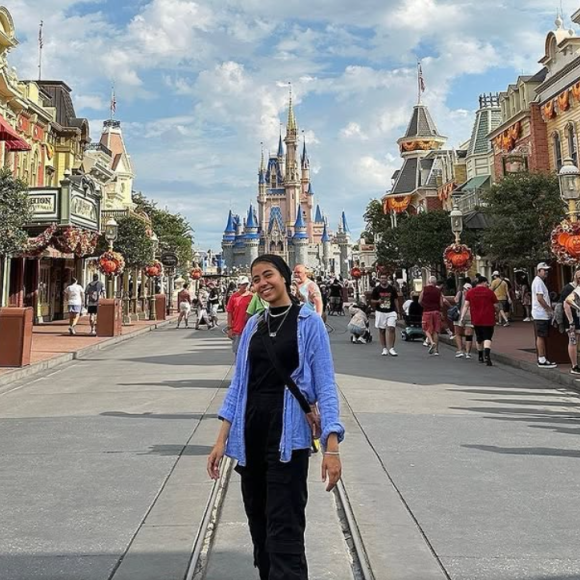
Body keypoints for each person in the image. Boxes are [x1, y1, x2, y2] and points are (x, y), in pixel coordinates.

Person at [207, 254, 344, 580]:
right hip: (251, 435)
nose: (262, 283)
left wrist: (332, 446)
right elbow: (239, 385)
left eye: (268, 275)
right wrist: (220, 440)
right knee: (259, 527)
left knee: (285, 529)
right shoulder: (254, 325)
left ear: (284, 277)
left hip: (289, 437)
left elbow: (325, 385)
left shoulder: (309, 323)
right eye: (256, 279)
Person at [461, 276, 497, 366]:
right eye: (487, 283)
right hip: (488, 319)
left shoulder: (470, 292)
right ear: (484, 282)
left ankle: (480, 355)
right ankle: (487, 356)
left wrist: (462, 317)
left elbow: (466, 305)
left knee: (479, 338)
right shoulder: (490, 292)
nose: (487, 284)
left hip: (476, 319)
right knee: (488, 337)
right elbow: (496, 305)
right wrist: (497, 312)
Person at [532, 262, 557, 369]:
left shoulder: (540, 282)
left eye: (547, 270)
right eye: (544, 270)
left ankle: (543, 357)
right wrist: (549, 309)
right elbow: (540, 298)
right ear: (538, 271)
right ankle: (541, 358)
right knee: (541, 336)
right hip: (540, 314)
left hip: (541, 313)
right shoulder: (538, 282)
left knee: (542, 335)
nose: (546, 272)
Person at [371, 273, 401, 356]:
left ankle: (391, 348)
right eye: (382, 278)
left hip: (391, 311)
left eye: (385, 278)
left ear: (387, 279)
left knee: (391, 328)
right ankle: (384, 348)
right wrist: (378, 301)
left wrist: (398, 311)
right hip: (380, 311)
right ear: (379, 279)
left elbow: (396, 300)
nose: (383, 280)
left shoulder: (392, 289)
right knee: (382, 330)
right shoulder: (377, 289)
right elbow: (372, 300)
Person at [419, 276, 447, 356]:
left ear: (428, 282)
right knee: (436, 331)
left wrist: (424, 305)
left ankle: (431, 342)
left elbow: (419, 300)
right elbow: (441, 304)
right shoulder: (439, 291)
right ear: (435, 283)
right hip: (436, 312)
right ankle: (436, 351)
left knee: (426, 329)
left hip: (427, 311)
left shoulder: (424, 289)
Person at [560, 267, 580, 375]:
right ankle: (574, 365)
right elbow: (566, 304)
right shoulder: (569, 288)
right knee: (573, 341)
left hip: (576, 318)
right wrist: (571, 321)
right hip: (572, 319)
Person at [226, 276, 253, 357]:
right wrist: (230, 328)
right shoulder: (233, 297)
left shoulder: (252, 296)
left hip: (249, 329)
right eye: (242, 284)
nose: (244, 286)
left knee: (248, 354)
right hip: (237, 329)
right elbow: (230, 313)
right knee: (238, 354)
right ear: (238, 285)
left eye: (246, 284)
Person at [453, 282, 474, 359]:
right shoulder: (473, 294)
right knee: (469, 335)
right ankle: (468, 352)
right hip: (470, 316)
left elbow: (456, 300)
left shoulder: (460, 293)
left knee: (458, 333)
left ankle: (460, 350)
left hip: (459, 315)